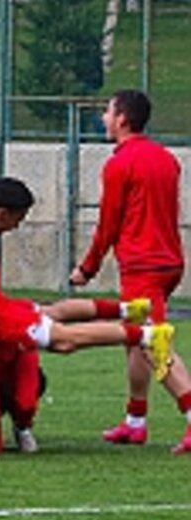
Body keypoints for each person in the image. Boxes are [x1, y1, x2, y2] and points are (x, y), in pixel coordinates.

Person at [69, 89, 191, 454]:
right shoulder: (166, 159)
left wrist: (86, 269)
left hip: (144, 265)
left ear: (122, 118)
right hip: (169, 261)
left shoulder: (120, 164)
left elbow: (108, 225)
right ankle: (135, 421)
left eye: (107, 112)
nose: (104, 119)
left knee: (154, 341)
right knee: (135, 340)